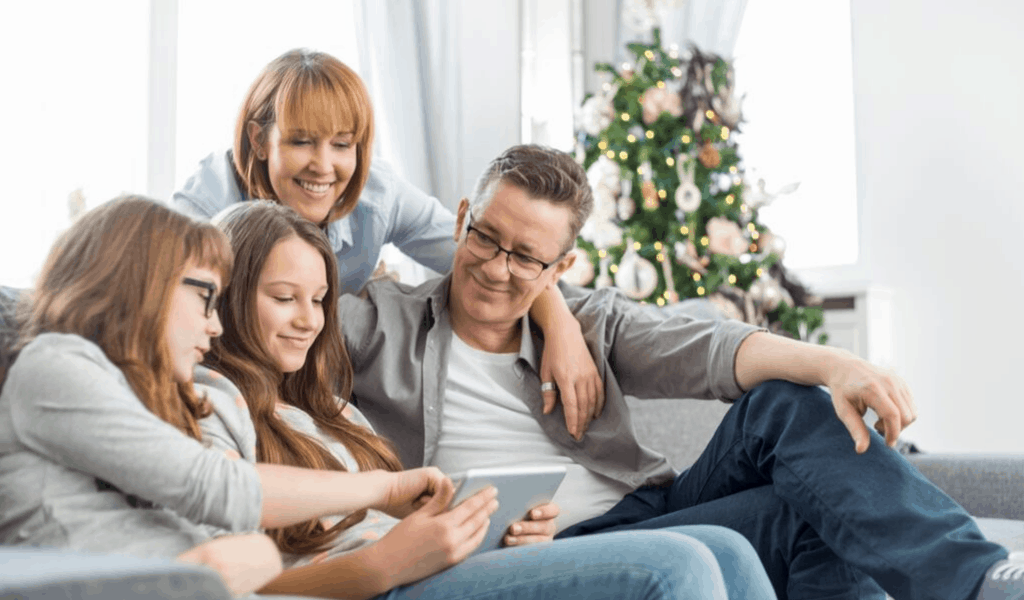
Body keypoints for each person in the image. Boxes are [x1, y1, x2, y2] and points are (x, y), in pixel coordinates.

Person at [324, 143, 1024, 600]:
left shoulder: (589, 320)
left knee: (792, 417)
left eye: (526, 258)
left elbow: (712, 350)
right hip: (556, 550)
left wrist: (839, 363)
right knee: (803, 516)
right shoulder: (380, 321)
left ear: (560, 268)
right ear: (462, 220)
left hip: (647, 510)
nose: (496, 268)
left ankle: (978, 579)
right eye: (486, 238)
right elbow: (273, 293)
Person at [204, 199, 778, 600]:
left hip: (434, 567)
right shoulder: (209, 407)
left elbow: (387, 514)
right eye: (284, 298)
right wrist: (381, 565)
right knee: (679, 564)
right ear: (224, 299)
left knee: (724, 549)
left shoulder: (327, 409)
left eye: (320, 300)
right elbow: (217, 577)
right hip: (384, 585)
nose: (309, 321)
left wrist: (481, 524)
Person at [173, 48, 601, 440]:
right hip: (226, 368)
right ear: (259, 140)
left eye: (343, 144)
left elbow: (483, 253)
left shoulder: (378, 195)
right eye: (301, 141)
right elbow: (170, 320)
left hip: (314, 376)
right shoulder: (207, 204)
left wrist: (560, 325)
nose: (323, 166)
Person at [0, 196, 283, 596]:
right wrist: (384, 488)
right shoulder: (52, 364)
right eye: (206, 298)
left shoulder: (133, 395)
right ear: (144, 286)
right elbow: (218, 493)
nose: (217, 326)